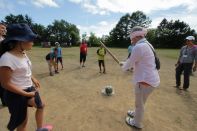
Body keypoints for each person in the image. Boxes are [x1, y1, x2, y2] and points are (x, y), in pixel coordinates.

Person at [0, 23, 52, 131]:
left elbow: (25, 69)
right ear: (20, 41)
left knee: (41, 105)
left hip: (28, 89)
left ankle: (39, 129)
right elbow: (5, 84)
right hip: (15, 94)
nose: (33, 43)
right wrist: (26, 94)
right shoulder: (7, 58)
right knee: (22, 123)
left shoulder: (23, 53)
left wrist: (33, 78)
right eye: (30, 39)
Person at [121, 26, 160, 129]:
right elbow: (137, 61)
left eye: (132, 38)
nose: (131, 40)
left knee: (139, 103)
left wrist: (124, 66)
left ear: (136, 36)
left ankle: (137, 123)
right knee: (141, 101)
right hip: (150, 80)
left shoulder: (139, 47)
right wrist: (125, 64)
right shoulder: (147, 44)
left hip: (145, 81)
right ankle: (136, 113)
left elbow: (130, 62)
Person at [0, 23, 6, 106]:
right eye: (2, 28)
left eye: (5, 28)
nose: (5, 30)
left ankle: (4, 101)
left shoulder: (3, 39)